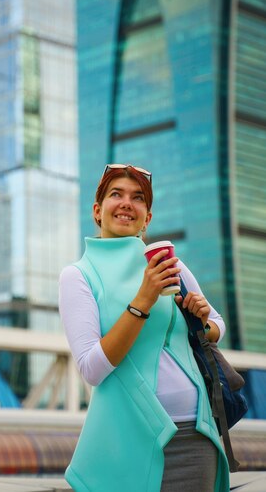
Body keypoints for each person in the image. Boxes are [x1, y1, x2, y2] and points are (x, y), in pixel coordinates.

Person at [59, 164, 229, 492]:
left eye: (138, 198)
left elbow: (216, 326)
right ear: (98, 210)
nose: (127, 203)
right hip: (126, 440)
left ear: (147, 218)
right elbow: (92, 369)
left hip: (197, 435)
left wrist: (201, 318)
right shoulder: (78, 275)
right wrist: (143, 300)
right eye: (116, 195)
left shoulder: (168, 264)